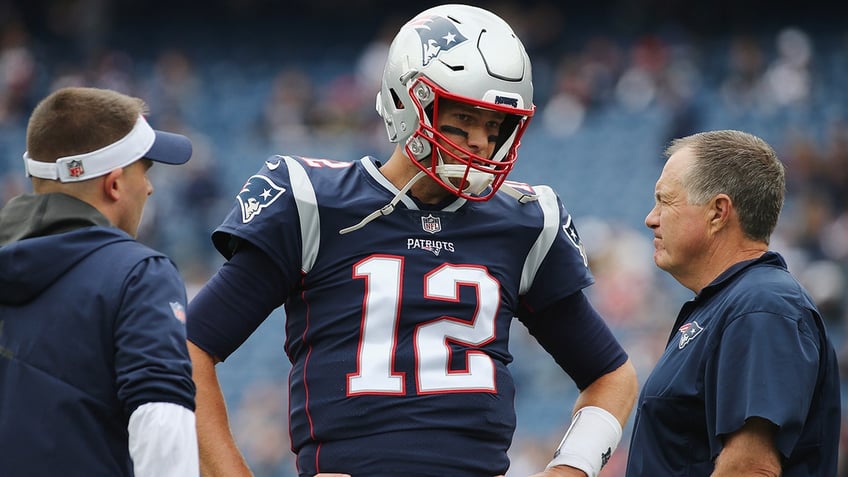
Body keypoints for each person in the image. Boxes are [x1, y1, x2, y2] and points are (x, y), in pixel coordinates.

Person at [187, 4, 638, 477]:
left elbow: (612, 375)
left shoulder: (523, 222)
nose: (482, 142)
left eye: (494, 126)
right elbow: (191, 348)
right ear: (407, 100)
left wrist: (572, 467)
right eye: (463, 118)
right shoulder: (314, 202)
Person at [0, 86, 199, 476]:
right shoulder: (139, 273)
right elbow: (161, 420)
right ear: (114, 184)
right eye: (146, 169)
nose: (150, 186)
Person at [626, 130, 841, 476]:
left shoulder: (762, 306)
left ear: (718, 212)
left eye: (665, 201)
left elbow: (751, 468)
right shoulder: (734, 304)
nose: (651, 218)